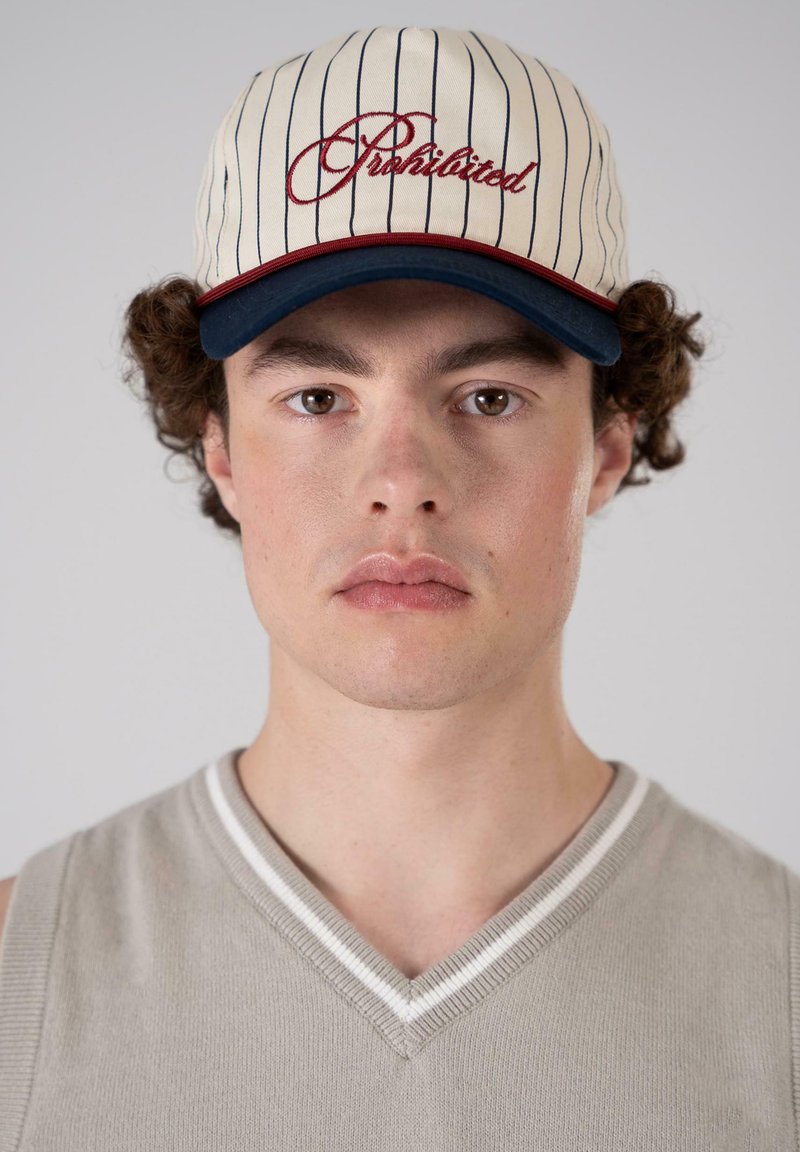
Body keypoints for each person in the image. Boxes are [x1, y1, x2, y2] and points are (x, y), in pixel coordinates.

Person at [1, 25, 798, 1151]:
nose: (400, 484)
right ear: (220, 449)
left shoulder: (778, 988)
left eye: (488, 397)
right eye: (318, 398)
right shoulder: (19, 979)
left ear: (609, 447)